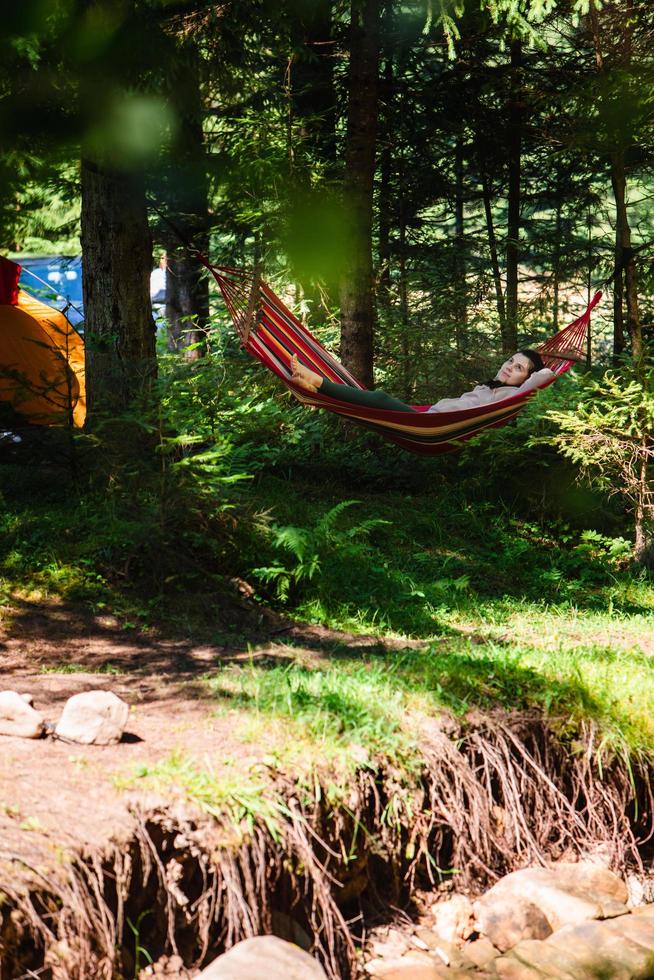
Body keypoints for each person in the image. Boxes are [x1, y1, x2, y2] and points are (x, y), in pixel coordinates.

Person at [289, 349, 571, 414]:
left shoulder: (509, 397)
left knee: (380, 400)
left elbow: (544, 376)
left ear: (526, 378)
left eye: (519, 367)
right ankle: (314, 388)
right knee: (380, 402)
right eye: (510, 360)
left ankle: (317, 381)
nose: (510, 367)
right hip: (428, 418)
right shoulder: (489, 388)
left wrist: (556, 363)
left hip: (429, 426)